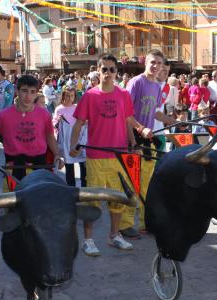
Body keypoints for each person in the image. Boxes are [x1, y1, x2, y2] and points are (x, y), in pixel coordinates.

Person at [69, 54, 153, 256]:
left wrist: (137, 136)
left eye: (111, 69)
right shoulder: (89, 95)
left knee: (118, 199)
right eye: (104, 69)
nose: (108, 73)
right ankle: (88, 240)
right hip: (96, 157)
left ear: (117, 72)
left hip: (119, 156)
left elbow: (128, 120)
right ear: (98, 71)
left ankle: (114, 236)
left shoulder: (123, 94)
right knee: (93, 200)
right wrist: (73, 146)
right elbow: (79, 123)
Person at [122, 49, 177, 240]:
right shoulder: (136, 82)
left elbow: (153, 113)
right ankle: (126, 224)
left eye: (159, 64)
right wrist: (132, 141)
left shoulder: (157, 86)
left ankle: (147, 223)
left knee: (147, 183)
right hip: (132, 137)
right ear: (146, 61)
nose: (155, 66)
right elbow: (125, 114)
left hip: (148, 137)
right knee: (131, 182)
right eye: (153, 62)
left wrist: (172, 120)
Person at [0, 75, 64, 181]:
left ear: (36, 93)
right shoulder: (4, 115)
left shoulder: (44, 114)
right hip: (13, 165)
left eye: (32, 92)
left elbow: (49, 135)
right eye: (24, 91)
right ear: (17, 91)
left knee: (39, 196)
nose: (28, 96)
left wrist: (57, 154)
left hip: (39, 164)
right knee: (16, 197)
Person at [53, 85, 87, 187]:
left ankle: (85, 188)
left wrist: (85, 123)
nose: (69, 98)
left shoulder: (77, 107)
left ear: (74, 96)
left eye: (71, 96)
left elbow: (83, 120)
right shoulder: (59, 109)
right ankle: (71, 189)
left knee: (83, 166)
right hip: (67, 143)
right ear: (63, 96)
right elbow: (54, 124)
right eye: (67, 95)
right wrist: (58, 122)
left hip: (79, 140)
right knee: (69, 167)